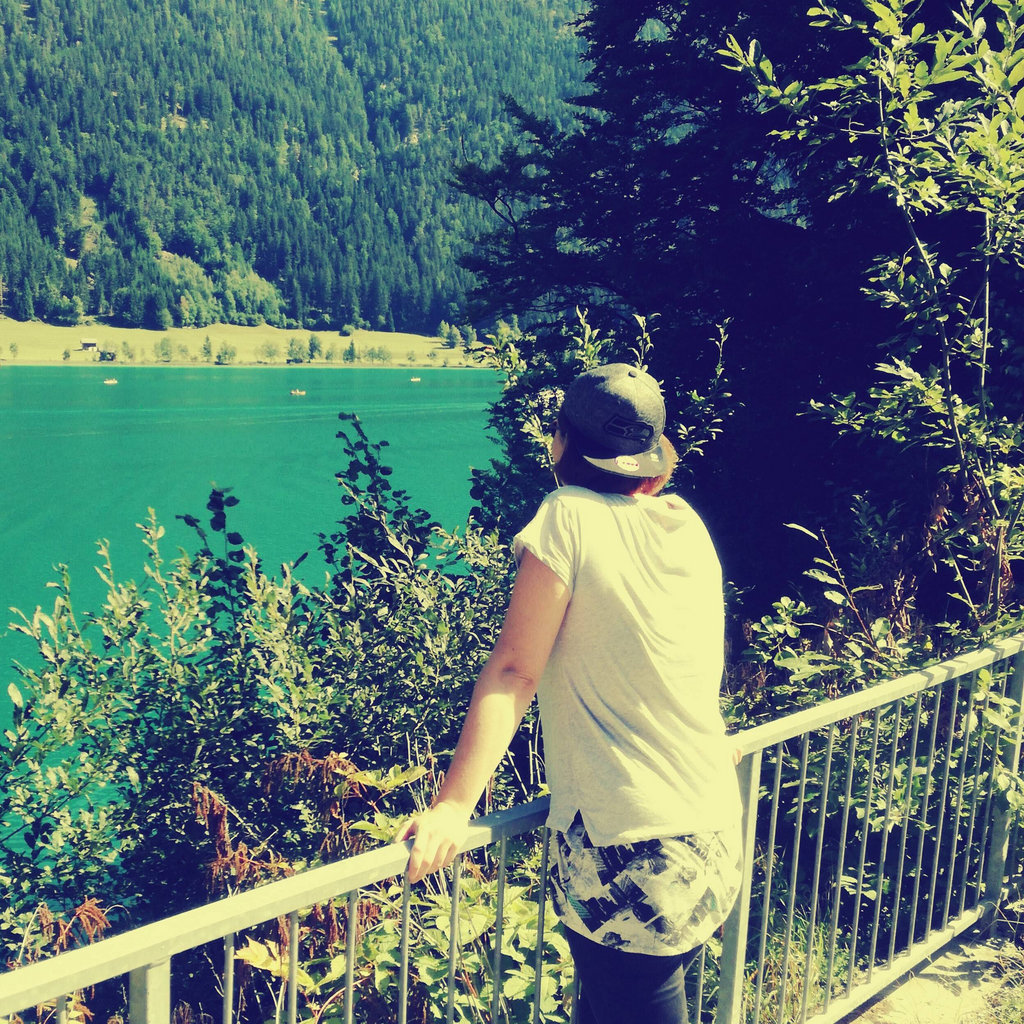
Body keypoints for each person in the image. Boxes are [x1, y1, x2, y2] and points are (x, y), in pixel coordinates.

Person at [396, 363, 742, 1024]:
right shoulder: (686, 524)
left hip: (629, 842)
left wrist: (454, 806)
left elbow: (514, 671)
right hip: (710, 822)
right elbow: (686, 658)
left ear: (561, 444)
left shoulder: (568, 516)